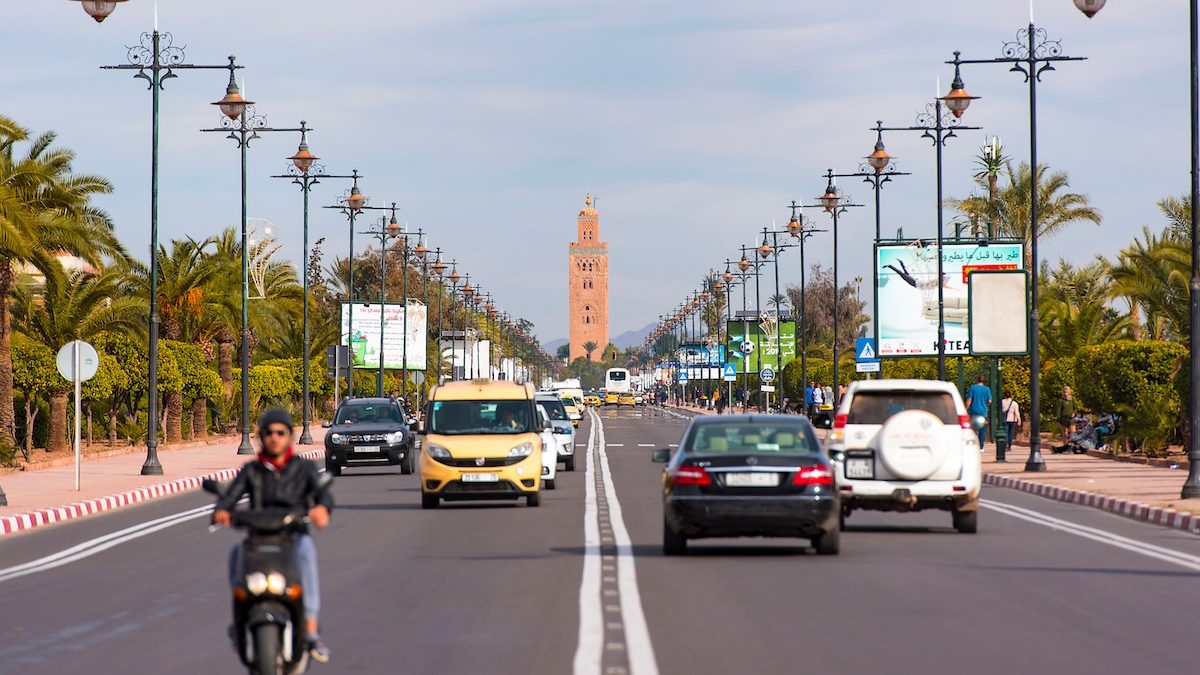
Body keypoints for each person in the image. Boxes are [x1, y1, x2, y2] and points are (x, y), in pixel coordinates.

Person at [213, 409, 334, 663]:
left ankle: (310, 629)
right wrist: (222, 509)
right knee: (236, 554)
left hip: (292, 536)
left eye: (280, 432)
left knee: (307, 553)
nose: (274, 437)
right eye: (268, 433)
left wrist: (322, 507)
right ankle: (240, 620)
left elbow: (323, 494)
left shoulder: (303, 468)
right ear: (261, 437)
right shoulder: (253, 471)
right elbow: (231, 495)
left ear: (289, 436)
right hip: (258, 538)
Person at [965, 376, 993, 447]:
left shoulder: (973, 388)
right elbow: (990, 401)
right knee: (982, 428)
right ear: (984, 381)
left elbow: (969, 399)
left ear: (977, 380)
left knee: (973, 427)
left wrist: (966, 408)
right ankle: (981, 446)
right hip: (983, 411)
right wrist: (985, 404)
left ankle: (973, 444)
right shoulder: (987, 389)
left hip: (974, 410)